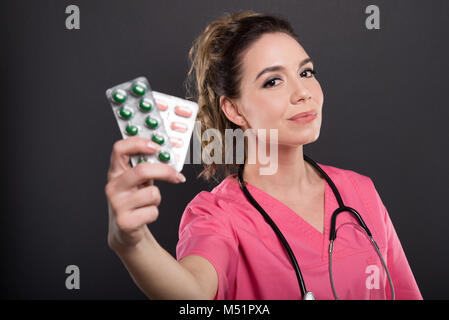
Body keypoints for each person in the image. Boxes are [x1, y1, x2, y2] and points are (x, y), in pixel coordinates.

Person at [104, 11, 422, 300]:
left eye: (307, 72)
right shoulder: (217, 215)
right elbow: (192, 293)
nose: (303, 93)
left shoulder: (360, 192)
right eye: (273, 81)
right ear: (235, 109)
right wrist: (134, 245)